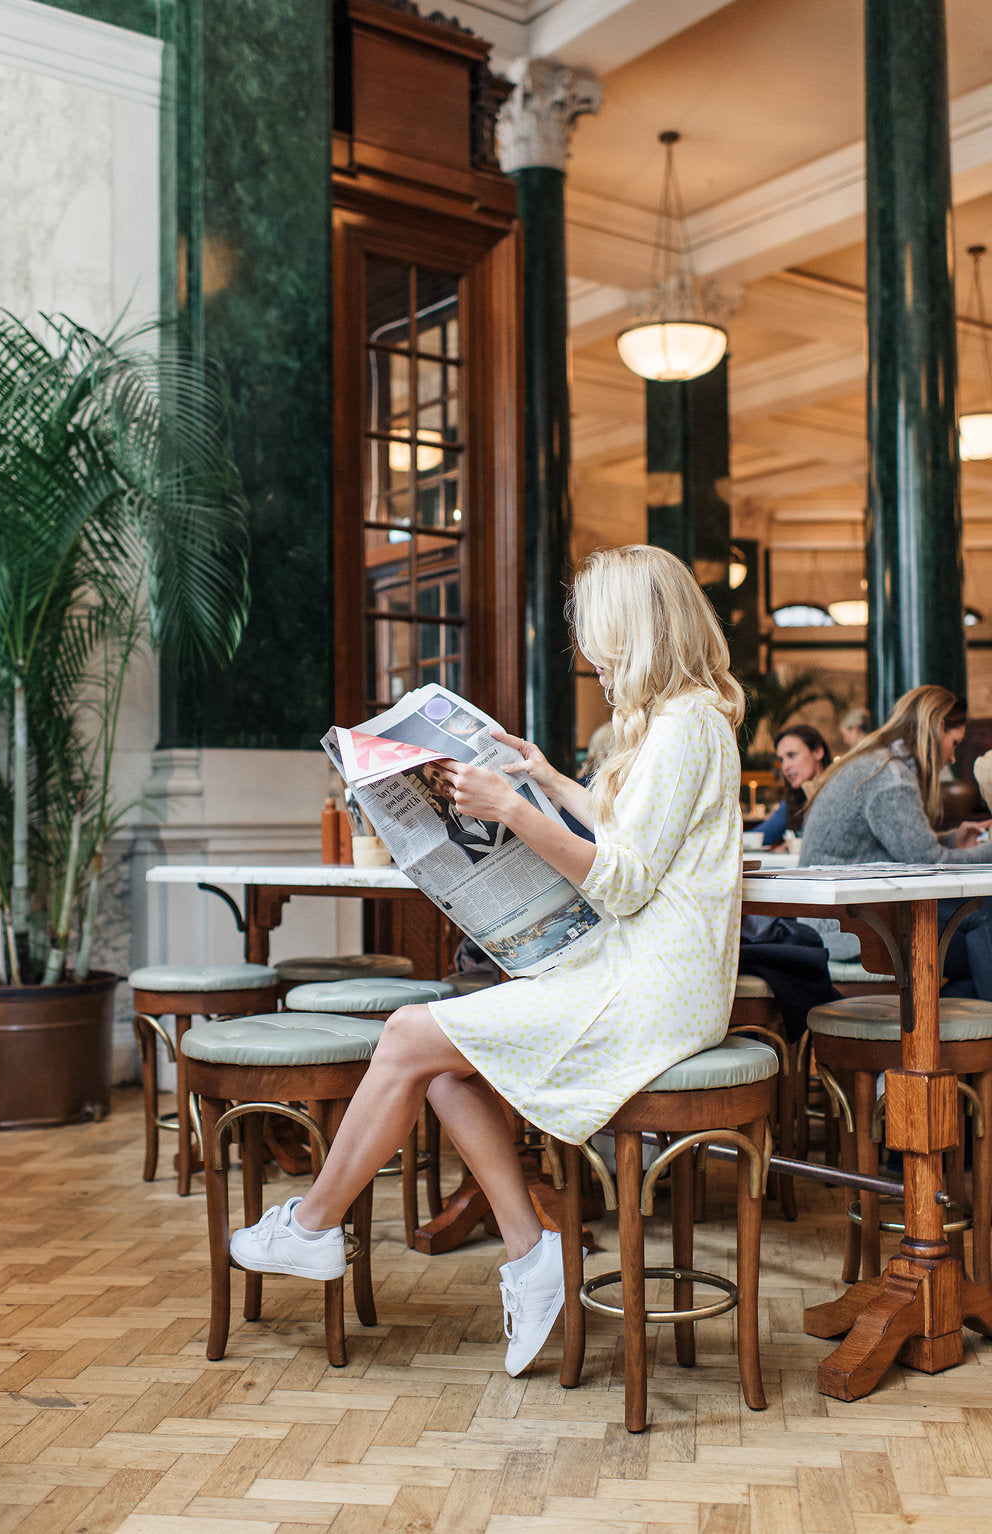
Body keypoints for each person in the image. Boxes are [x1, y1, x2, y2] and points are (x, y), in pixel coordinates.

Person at [229, 544, 745, 1377]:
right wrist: (548, 779)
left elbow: (621, 880)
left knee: (405, 1032)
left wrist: (512, 806)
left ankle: (315, 1227)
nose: (592, 662)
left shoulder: (686, 726)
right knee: (439, 1065)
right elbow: (631, 838)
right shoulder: (689, 720)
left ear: (638, 633)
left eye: (600, 641)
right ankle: (530, 1253)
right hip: (645, 975)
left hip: (654, 991)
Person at [800, 685, 992, 999]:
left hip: (839, 918)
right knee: (983, 914)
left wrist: (955, 839)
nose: (953, 756)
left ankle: (934, 1031)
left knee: (980, 948)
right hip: (848, 930)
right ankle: (943, 1031)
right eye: (953, 743)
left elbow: (904, 849)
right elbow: (927, 863)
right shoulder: (890, 777)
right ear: (936, 728)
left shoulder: (878, 763)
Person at [757, 724, 832, 847]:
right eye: (781, 760)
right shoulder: (795, 799)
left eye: (791, 755)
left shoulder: (841, 792)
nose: (785, 766)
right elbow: (761, 836)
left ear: (818, 752)